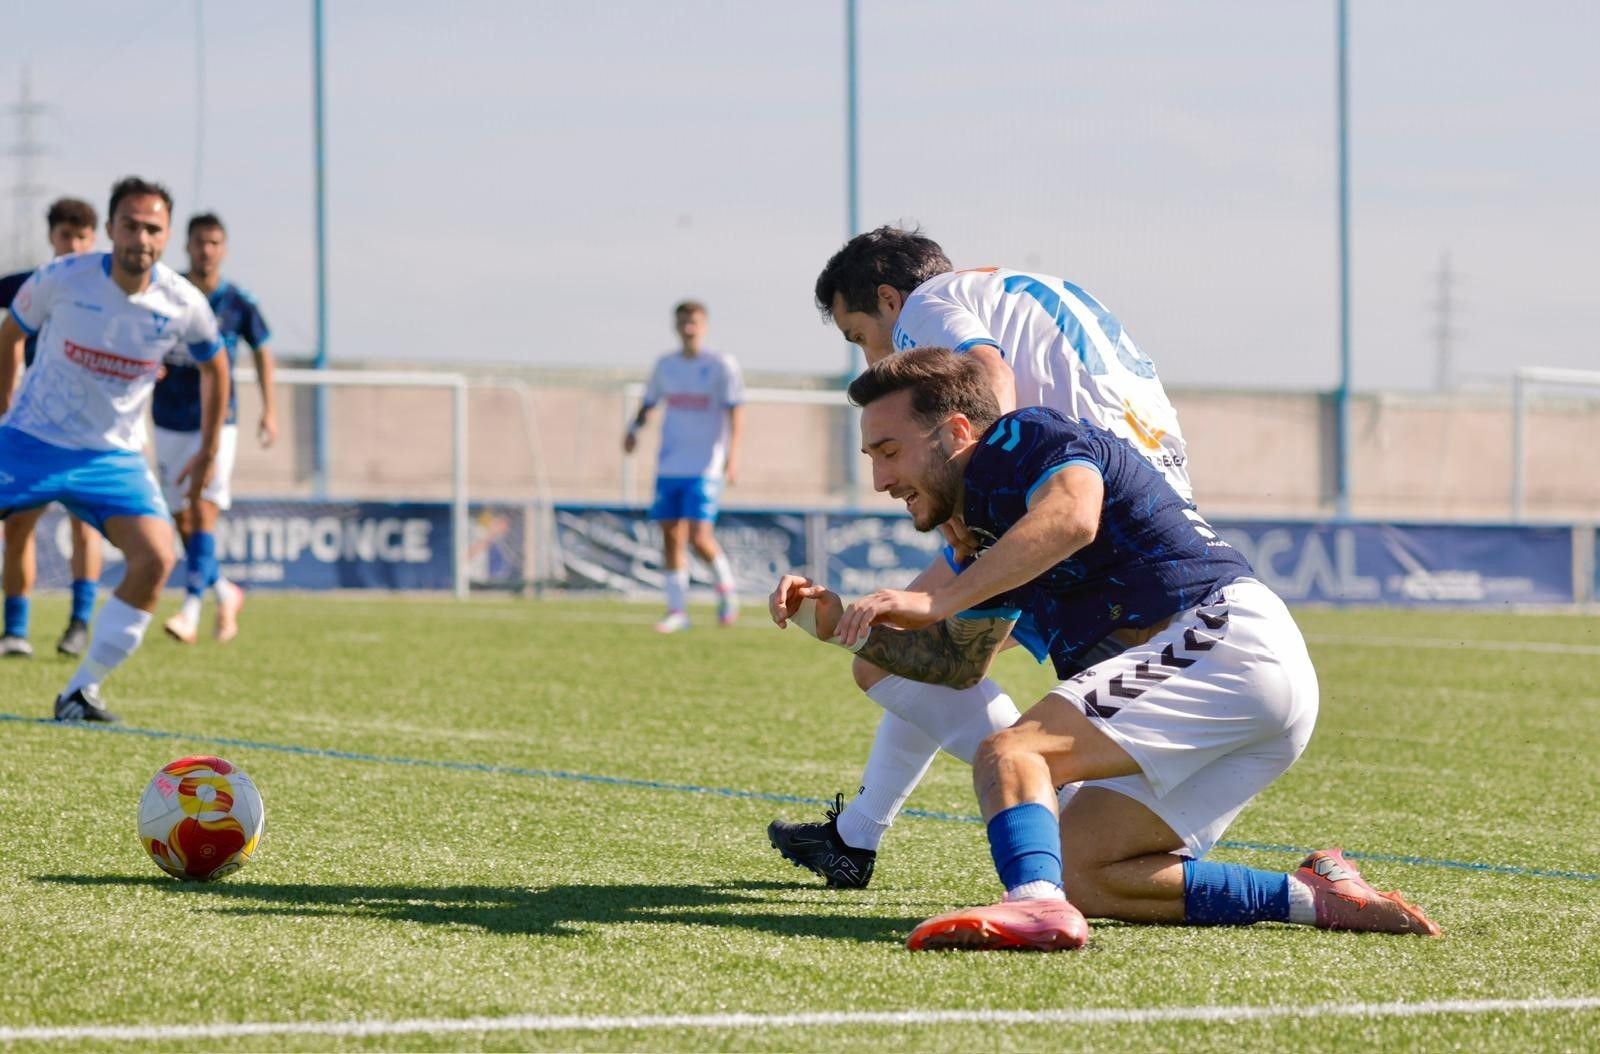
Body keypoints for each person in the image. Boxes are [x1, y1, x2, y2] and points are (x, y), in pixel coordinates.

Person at [770, 348, 1439, 949]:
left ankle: (1033, 908)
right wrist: (835, 625)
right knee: (1085, 870)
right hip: (1254, 689)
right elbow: (957, 664)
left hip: (1223, 642)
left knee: (1012, 752)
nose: (881, 480)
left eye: (888, 452)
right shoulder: (994, 520)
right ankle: (1313, 896)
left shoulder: (1020, 437)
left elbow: (1074, 517)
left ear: (955, 432)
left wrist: (937, 598)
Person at [769, 226, 1191, 888]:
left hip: (1075, 505)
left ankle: (1055, 811)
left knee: (894, 663)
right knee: (932, 661)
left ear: (887, 299)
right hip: (1149, 496)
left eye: (859, 338)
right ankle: (856, 838)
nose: (869, 362)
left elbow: (987, 374)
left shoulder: (925, 307)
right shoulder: (1032, 290)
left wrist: (979, 501)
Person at [0, 176, 226, 722]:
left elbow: (216, 367)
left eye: (153, 228)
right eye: (130, 225)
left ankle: (81, 693)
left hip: (112, 458)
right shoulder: (61, 278)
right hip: (33, 439)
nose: (140, 238)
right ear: (110, 229)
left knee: (156, 558)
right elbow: (11, 335)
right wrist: (6, 411)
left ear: (166, 235)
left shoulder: (183, 303)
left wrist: (210, 450)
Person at [154, 213, 275, 644]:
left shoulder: (238, 301)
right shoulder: (167, 292)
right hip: (168, 418)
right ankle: (225, 591)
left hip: (217, 421)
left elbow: (263, 350)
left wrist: (270, 410)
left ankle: (189, 610)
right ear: (186, 246)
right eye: (199, 242)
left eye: (214, 243)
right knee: (181, 516)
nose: (206, 250)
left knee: (203, 507)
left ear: (223, 248)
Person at [0, 198, 104, 658]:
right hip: (33, 428)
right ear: (51, 238)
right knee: (20, 523)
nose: (74, 245)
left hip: (89, 428)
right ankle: (16, 629)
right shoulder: (32, 284)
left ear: (95, 239)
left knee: (86, 525)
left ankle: (79, 623)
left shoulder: (107, 287)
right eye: (66, 236)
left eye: (82, 237)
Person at [621, 300, 744, 633]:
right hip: (669, 464)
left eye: (694, 321)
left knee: (699, 537)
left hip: (705, 466)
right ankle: (677, 610)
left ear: (704, 325)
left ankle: (726, 589)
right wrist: (633, 431)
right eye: (683, 322)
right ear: (676, 326)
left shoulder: (721, 365)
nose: (688, 327)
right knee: (670, 536)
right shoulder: (665, 366)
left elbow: (735, 411)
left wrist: (732, 457)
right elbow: (649, 403)